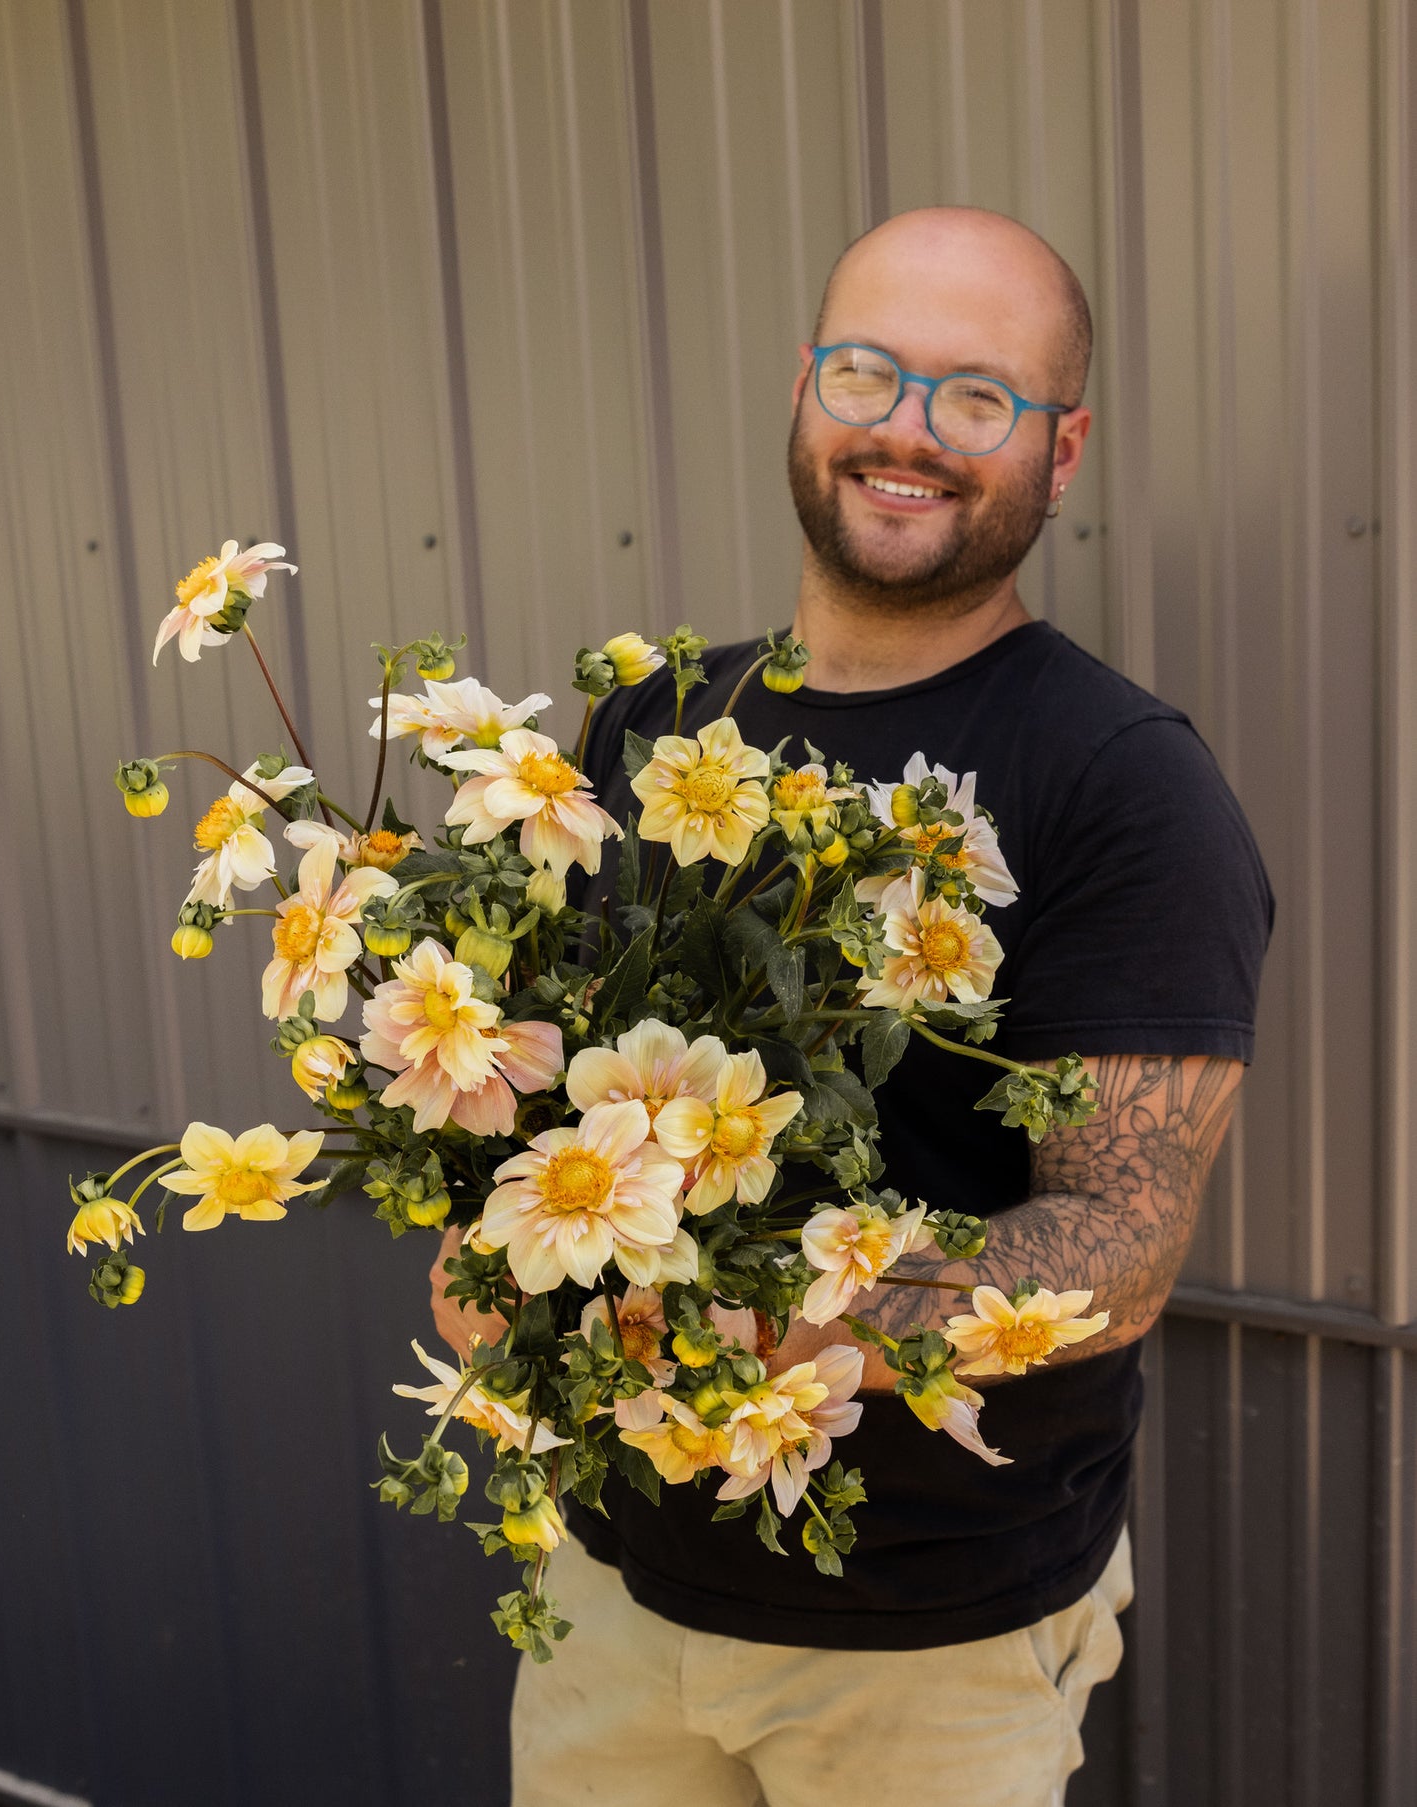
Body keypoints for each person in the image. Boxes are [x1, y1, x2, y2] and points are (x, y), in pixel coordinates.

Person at [430, 206, 1273, 1807]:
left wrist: (764, 1339)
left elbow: (1120, 1235)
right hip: (617, 1590)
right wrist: (492, 1237)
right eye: (868, 371)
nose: (906, 431)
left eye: (976, 396)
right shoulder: (653, 721)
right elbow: (546, 1080)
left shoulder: (1122, 785)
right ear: (806, 389)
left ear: (1061, 446)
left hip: (928, 1647)